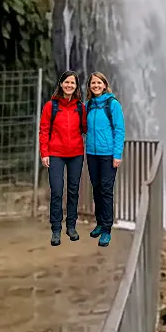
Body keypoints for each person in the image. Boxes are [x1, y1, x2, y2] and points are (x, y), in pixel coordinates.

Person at [39, 72, 87, 245]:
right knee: (57, 191)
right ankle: (56, 229)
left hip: (76, 154)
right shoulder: (50, 106)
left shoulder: (81, 108)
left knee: (73, 191)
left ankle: (71, 226)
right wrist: (44, 153)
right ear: (60, 84)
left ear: (76, 86)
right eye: (66, 82)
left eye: (72, 83)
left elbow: (86, 128)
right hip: (56, 154)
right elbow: (44, 130)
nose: (69, 85)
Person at [81, 71, 127, 246]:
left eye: (99, 83)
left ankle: (107, 229)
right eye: (93, 83)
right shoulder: (89, 106)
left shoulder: (112, 104)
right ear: (90, 87)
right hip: (92, 153)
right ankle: (100, 222)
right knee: (97, 188)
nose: (96, 86)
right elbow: (82, 126)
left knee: (106, 190)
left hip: (107, 154)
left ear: (104, 85)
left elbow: (119, 129)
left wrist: (117, 155)